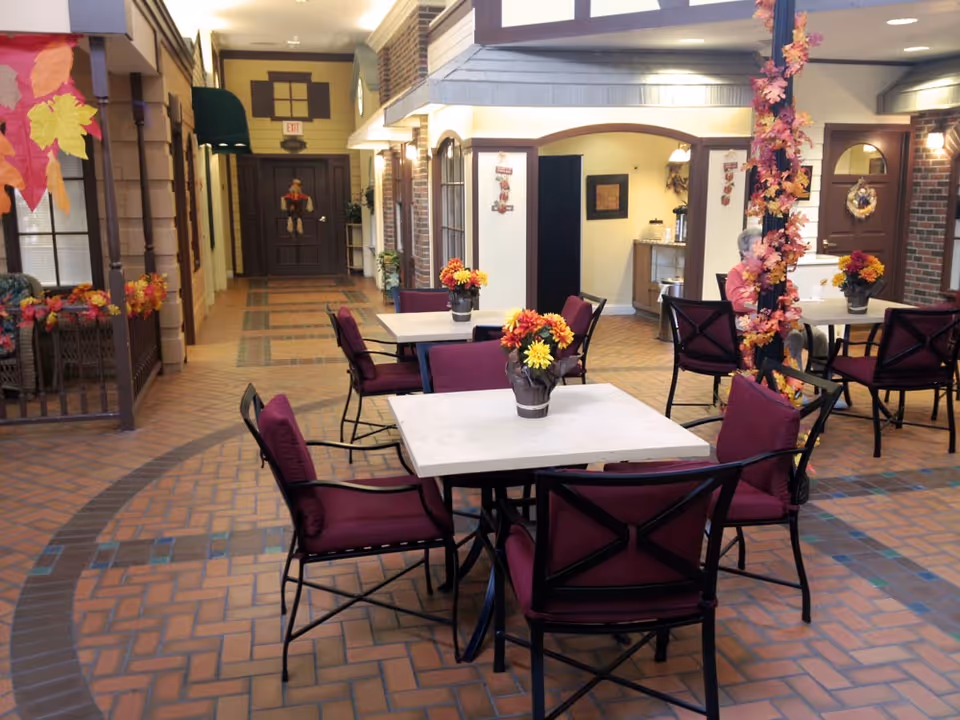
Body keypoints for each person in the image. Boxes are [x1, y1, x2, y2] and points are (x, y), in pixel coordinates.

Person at [726, 223, 828, 366]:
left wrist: (789, 293)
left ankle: (821, 382)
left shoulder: (771, 267)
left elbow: (789, 288)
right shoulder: (736, 272)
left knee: (819, 337)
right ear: (745, 251)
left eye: (765, 245)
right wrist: (764, 301)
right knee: (794, 337)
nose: (764, 249)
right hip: (755, 322)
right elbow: (736, 302)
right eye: (758, 245)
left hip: (783, 318)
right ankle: (789, 382)